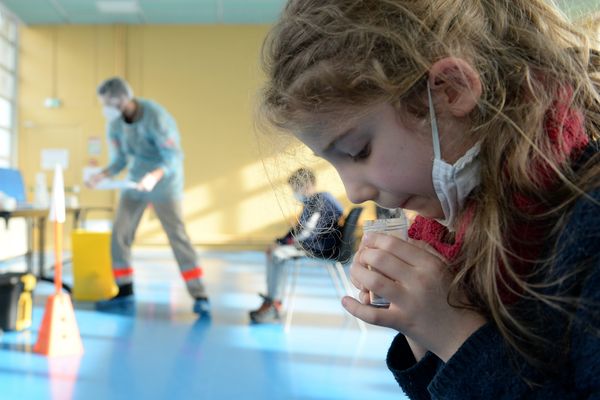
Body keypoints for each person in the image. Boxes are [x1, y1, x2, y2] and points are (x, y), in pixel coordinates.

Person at [258, 0, 600, 397]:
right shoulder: (457, 236)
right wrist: (423, 332)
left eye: (358, 151)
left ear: (450, 90)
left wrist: (455, 335)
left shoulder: (587, 225)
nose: (355, 192)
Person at [86, 77, 209, 315]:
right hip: (135, 181)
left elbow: (173, 157)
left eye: (107, 103)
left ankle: (200, 294)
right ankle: (125, 291)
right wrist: (100, 175)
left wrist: (153, 177)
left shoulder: (156, 117)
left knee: (177, 236)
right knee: (120, 234)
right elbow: (120, 160)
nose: (105, 109)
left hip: (165, 182)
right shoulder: (114, 125)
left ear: (122, 99)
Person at [249, 167, 344, 323]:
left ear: (305, 185)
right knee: (275, 251)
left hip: (319, 248)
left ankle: (274, 303)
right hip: (315, 244)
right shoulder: (314, 201)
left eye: (295, 188)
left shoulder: (321, 200)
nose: (294, 192)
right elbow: (299, 228)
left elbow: (307, 233)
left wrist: (281, 245)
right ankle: (272, 301)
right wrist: (278, 241)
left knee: (277, 254)